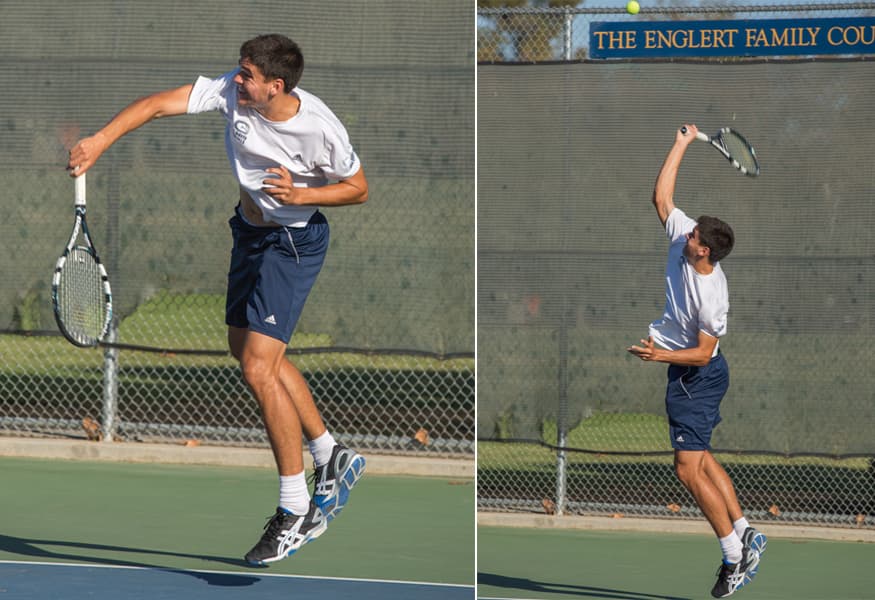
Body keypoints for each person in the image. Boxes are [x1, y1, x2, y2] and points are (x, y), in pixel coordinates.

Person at [67, 34, 368, 566]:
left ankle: (294, 507)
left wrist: (302, 194)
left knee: (258, 367)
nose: (237, 77)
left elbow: (358, 188)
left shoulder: (320, 127)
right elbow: (159, 103)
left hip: (292, 243)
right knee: (247, 351)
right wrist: (100, 139)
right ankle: (330, 453)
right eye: (240, 69)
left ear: (275, 86)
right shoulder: (233, 92)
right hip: (249, 232)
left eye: (248, 73)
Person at [627, 125, 767, 598]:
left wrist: (658, 355)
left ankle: (733, 556)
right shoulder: (682, 239)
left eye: (695, 235)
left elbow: (704, 353)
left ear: (704, 250)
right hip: (692, 374)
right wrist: (682, 142)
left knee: (687, 469)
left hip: (698, 376)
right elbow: (661, 198)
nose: (687, 231)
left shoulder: (711, 293)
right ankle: (747, 532)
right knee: (702, 458)